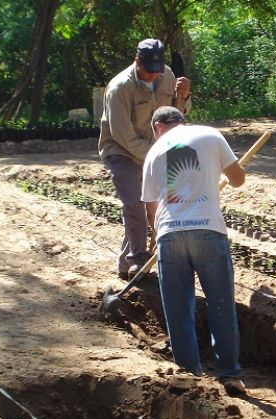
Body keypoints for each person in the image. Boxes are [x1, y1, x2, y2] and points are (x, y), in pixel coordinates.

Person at [141, 106, 247, 396]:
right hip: (209, 232)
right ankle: (230, 375)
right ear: (182, 121)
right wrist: (216, 176)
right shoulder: (210, 134)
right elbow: (238, 179)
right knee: (221, 306)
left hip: (169, 236)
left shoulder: (152, 152)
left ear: (156, 128)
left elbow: (150, 208)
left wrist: (158, 237)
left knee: (178, 311)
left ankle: (189, 377)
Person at [98, 38, 192, 281]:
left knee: (160, 204)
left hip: (155, 148)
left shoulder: (167, 75)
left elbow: (176, 115)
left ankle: (125, 263)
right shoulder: (119, 87)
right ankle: (139, 259)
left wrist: (184, 95)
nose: (153, 76)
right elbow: (123, 136)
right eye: (148, 71)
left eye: (157, 71)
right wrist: (157, 155)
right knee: (136, 203)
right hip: (121, 151)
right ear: (137, 61)